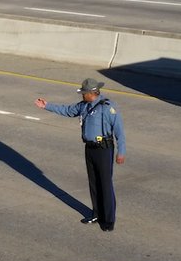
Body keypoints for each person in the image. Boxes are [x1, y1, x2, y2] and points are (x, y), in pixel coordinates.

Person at [34, 78, 126, 232]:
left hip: (104, 149)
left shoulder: (108, 107)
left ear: (91, 93)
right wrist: (47, 106)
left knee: (105, 184)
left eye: (84, 93)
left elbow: (120, 132)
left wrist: (121, 152)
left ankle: (109, 220)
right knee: (94, 183)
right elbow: (68, 110)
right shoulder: (83, 106)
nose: (82, 96)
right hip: (89, 149)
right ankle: (96, 214)